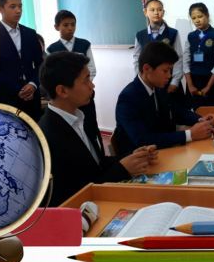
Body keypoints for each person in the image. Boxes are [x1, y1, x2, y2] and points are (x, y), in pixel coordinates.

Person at [39, 52, 157, 206]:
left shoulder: (79, 116)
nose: (92, 85)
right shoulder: (48, 136)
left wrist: (133, 156)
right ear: (62, 91)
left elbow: (96, 164)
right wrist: (122, 169)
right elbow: (77, 192)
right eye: (86, 80)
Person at [113, 41, 214, 156]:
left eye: (170, 70)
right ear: (147, 69)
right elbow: (143, 140)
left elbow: (177, 111)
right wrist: (190, 134)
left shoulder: (158, 88)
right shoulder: (128, 98)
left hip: (164, 151)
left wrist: (201, 120)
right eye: (165, 71)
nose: (169, 75)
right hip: (141, 159)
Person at [0, 0, 43, 121]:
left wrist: (33, 84)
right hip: (7, 101)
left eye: (20, 6)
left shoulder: (30, 34)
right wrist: (17, 89)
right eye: (13, 7)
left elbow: (41, 65)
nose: (18, 11)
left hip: (32, 99)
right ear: (0, 9)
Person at [47, 10, 98, 125]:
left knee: (89, 123)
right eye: (65, 25)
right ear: (56, 27)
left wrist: (83, 85)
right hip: (66, 97)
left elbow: (92, 69)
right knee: (70, 125)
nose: (70, 28)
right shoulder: (52, 49)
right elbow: (54, 75)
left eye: (73, 24)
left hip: (85, 93)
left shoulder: (84, 44)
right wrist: (71, 89)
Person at [133, 0, 183, 95]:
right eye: (152, 10)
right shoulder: (140, 35)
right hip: (148, 83)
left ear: (163, 12)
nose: (156, 13)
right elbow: (137, 59)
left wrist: (175, 82)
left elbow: (179, 58)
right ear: (145, 12)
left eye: (159, 10)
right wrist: (139, 79)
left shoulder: (173, 33)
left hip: (168, 82)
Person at [183, 2, 214, 109]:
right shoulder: (191, 36)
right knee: (195, 114)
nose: (197, 20)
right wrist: (190, 85)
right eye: (194, 18)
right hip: (194, 81)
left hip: (212, 81)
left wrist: (208, 86)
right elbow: (185, 61)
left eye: (200, 16)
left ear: (207, 15)